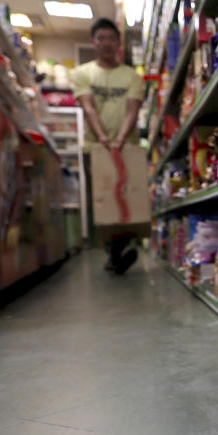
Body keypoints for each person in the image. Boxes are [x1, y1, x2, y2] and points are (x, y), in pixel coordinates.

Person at [74, 18, 145, 274]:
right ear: (93, 42)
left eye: (110, 38)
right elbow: (88, 106)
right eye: (100, 38)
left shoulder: (132, 77)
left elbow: (132, 111)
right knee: (103, 201)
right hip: (95, 149)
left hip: (127, 148)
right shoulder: (83, 73)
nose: (105, 43)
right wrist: (103, 138)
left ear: (118, 42)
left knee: (128, 197)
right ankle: (114, 253)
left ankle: (119, 251)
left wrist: (120, 139)